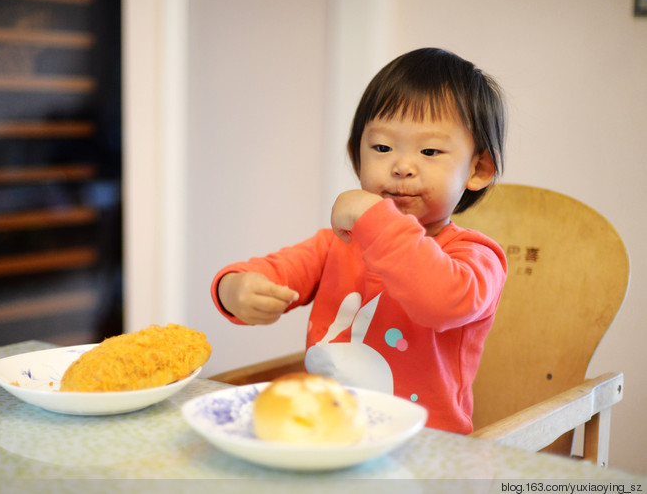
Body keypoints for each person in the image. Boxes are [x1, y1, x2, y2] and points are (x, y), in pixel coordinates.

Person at [210, 47, 508, 434]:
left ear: (478, 168)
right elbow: (270, 271)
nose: (401, 167)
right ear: (357, 157)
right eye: (381, 148)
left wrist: (374, 219)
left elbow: (440, 300)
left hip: (424, 451)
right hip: (326, 435)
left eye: (430, 151)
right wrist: (235, 289)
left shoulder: (475, 256)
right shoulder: (337, 245)